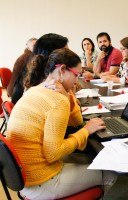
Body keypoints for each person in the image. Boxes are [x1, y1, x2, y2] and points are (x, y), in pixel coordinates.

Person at [6, 48, 116, 199]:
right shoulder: (57, 101)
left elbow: (76, 121)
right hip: (41, 182)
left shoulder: (36, 89)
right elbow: (53, 153)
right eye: (76, 75)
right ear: (63, 70)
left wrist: (68, 95)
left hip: (25, 176)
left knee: (91, 159)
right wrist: (86, 130)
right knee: (110, 170)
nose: (77, 81)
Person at [11, 33, 69, 104]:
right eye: (66, 53)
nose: (70, 57)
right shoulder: (41, 79)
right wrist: (67, 96)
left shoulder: (39, 68)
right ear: (53, 56)